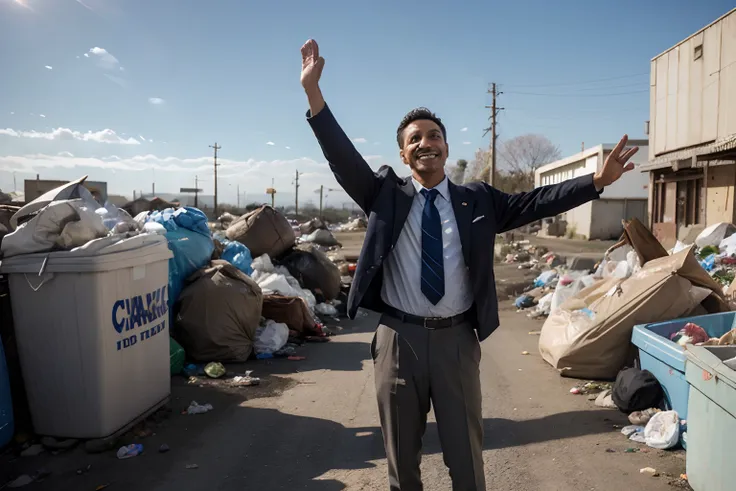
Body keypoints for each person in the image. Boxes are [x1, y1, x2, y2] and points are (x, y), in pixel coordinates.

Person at [300, 39, 638, 491]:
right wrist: (314, 94)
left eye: (433, 135)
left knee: (466, 459)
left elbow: (535, 201)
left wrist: (596, 181)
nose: (425, 143)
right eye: (414, 139)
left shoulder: (476, 199)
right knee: (403, 461)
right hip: (398, 339)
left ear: (445, 147)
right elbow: (342, 157)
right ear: (403, 155)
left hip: (457, 340)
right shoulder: (384, 194)